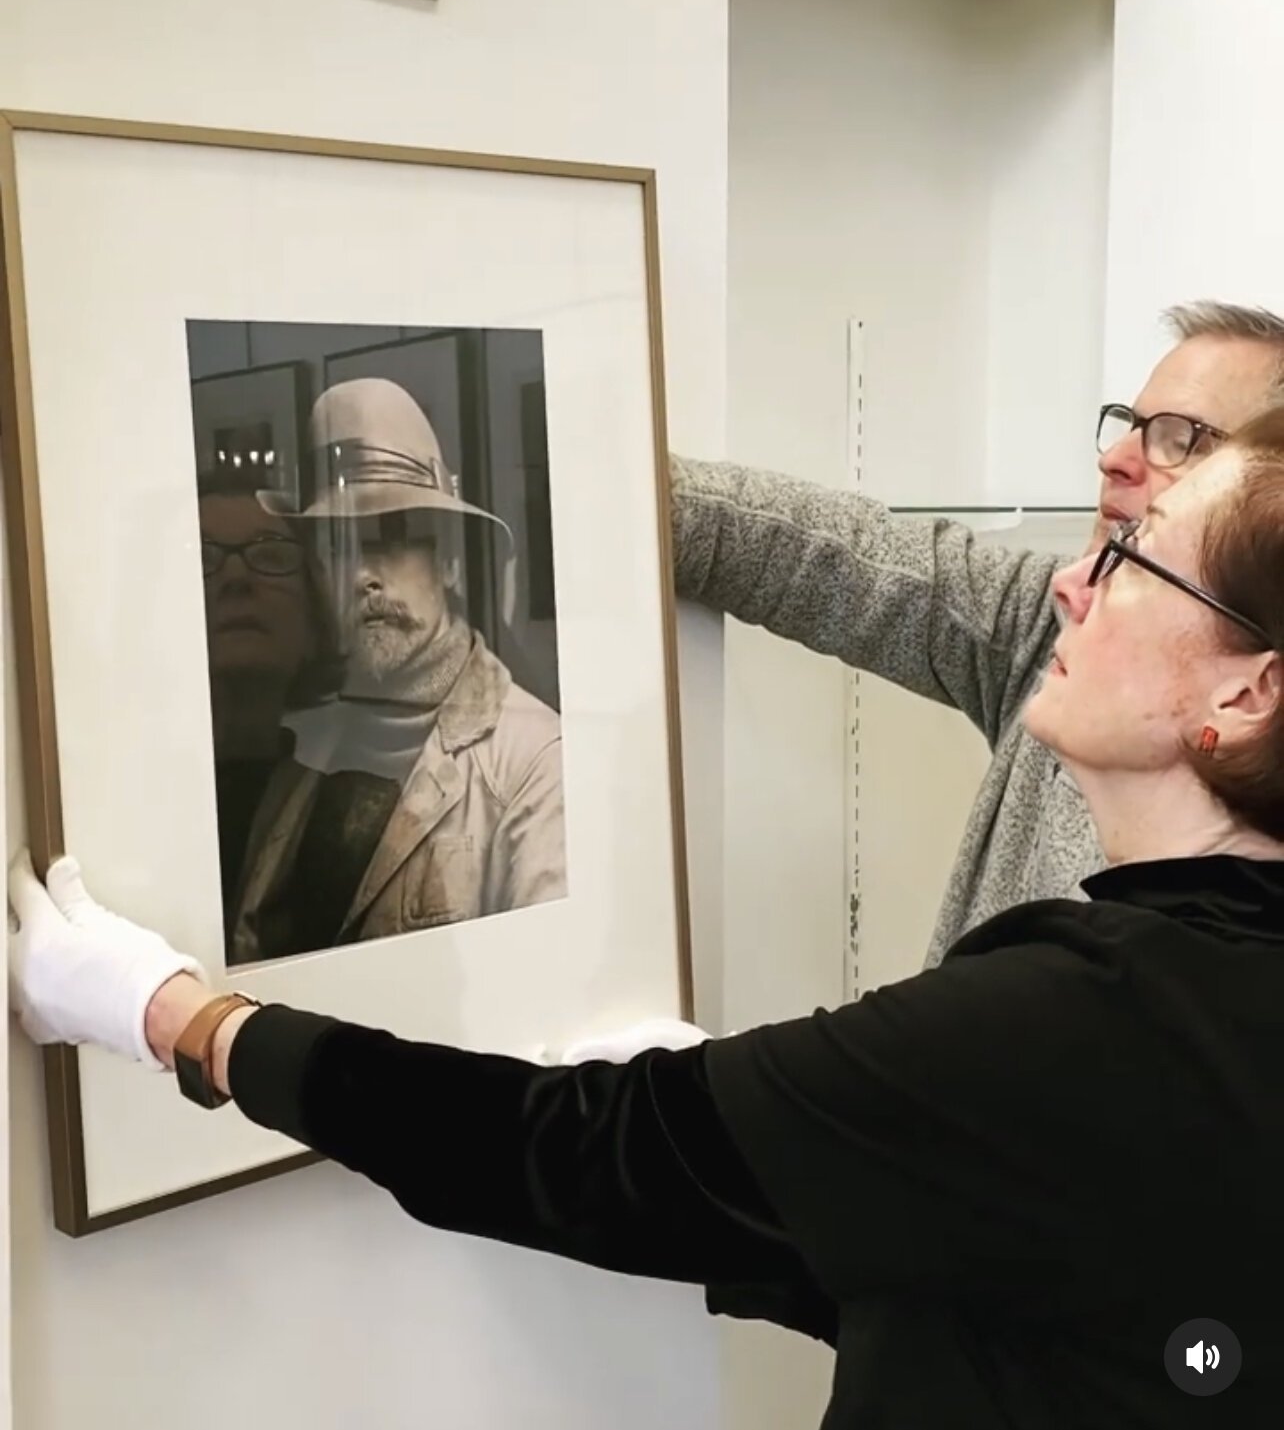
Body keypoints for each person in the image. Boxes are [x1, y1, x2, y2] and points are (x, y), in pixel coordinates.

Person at [13, 407, 1284, 1426]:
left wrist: (182, 1015)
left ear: (1252, 685)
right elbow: (1040, 1284)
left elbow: (563, 1154)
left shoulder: (1091, 1018)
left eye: (1129, 555)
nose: (1069, 583)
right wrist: (775, 1166)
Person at [670, 300, 1284, 966]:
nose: (1117, 459)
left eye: (1179, 437)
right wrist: (611, 479)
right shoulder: (1042, 619)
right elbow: (835, 557)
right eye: (1129, 426)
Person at [223, 376, 567, 964]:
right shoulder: (307, 746)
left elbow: (541, 983)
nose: (362, 575)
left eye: (390, 539)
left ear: (451, 562)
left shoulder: (533, 759)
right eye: (339, 547)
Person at [198, 476, 343, 949]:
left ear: (312, 618)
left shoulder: (352, 813)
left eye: (271, 555)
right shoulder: (113, 804)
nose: (237, 579)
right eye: (202, 558)